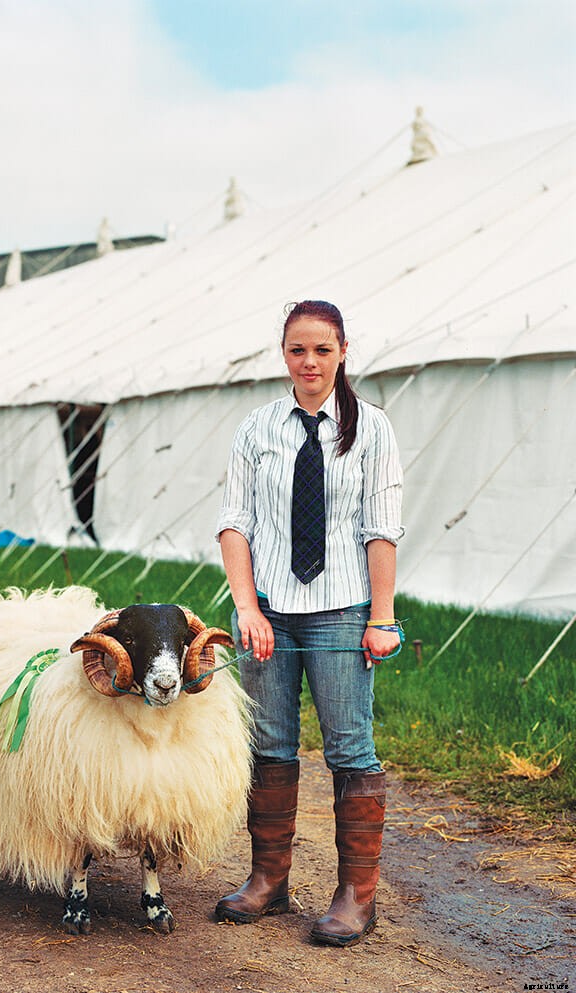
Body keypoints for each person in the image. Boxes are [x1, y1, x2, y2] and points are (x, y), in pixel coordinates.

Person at [214, 300, 404, 946]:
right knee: (269, 745)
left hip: (341, 611)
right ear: (284, 354)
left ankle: (357, 896)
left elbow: (381, 528)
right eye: (298, 350)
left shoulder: (371, 428)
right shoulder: (257, 428)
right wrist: (247, 606)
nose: (310, 362)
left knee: (350, 749)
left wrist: (382, 617)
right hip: (268, 612)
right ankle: (268, 879)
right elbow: (235, 522)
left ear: (343, 351)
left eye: (322, 349)